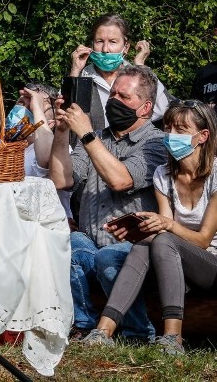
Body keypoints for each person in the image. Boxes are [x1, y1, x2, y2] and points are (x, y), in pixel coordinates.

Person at [81, 99, 217, 355]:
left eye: (180, 130)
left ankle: (173, 337)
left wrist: (165, 225)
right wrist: (140, 227)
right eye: (168, 128)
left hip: (210, 263)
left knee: (163, 239)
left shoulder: (215, 174)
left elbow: (202, 240)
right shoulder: (163, 175)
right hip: (178, 261)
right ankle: (103, 330)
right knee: (147, 241)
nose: (170, 136)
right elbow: (163, 227)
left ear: (202, 136)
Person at [48, 64, 167, 341]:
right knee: (70, 245)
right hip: (92, 239)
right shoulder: (98, 138)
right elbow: (61, 180)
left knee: (107, 257)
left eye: (124, 97)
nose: (114, 100)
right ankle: (84, 324)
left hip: (136, 250)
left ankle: (138, 331)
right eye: (112, 94)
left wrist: (87, 134)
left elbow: (121, 180)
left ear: (145, 108)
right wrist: (63, 131)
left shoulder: (157, 143)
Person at [69, 13, 171, 131]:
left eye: (113, 42)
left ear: (126, 47)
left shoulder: (136, 76)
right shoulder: (83, 77)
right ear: (92, 45)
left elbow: (163, 108)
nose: (105, 49)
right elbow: (65, 118)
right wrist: (75, 71)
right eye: (99, 41)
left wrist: (140, 66)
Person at [8, 83, 73, 219]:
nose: (23, 110)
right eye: (21, 103)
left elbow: (44, 159)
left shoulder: (61, 148)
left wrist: (36, 107)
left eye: (32, 106)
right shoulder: (7, 149)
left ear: (50, 123)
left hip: (48, 227)